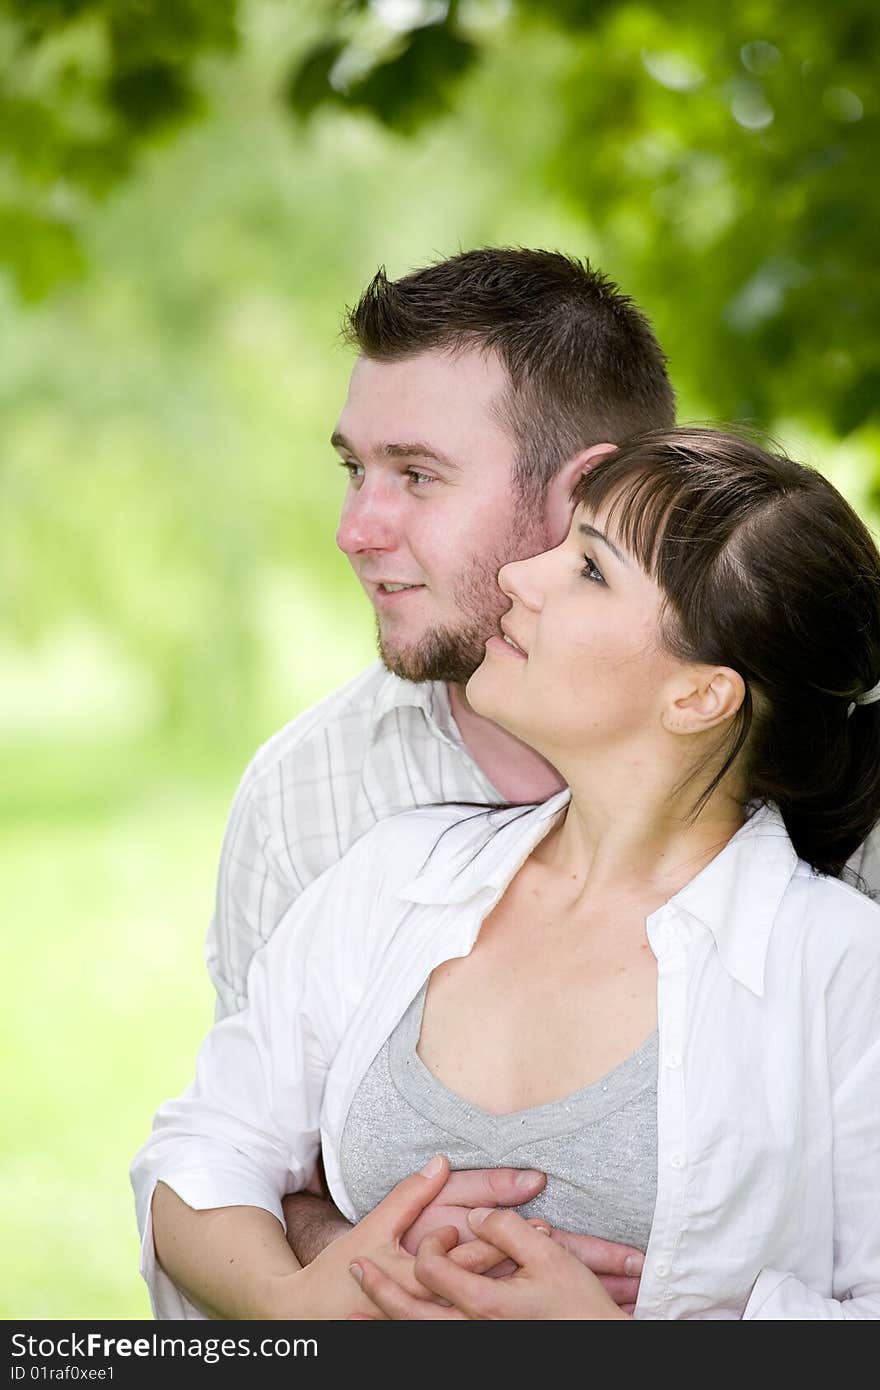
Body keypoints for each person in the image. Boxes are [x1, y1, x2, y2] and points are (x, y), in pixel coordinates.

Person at [133, 428, 880, 1319]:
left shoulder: (841, 973)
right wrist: (294, 1301)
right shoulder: (398, 874)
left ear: (699, 697)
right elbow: (204, 1146)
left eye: (590, 570)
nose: (521, 577)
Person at [202, 247, 676, 1305]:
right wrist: (410, 1272)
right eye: (353, 470)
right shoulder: (305, 796)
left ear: (589, 491)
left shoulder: (819, 797)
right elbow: (250, 1157)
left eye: (415, 474)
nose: (354, 529)